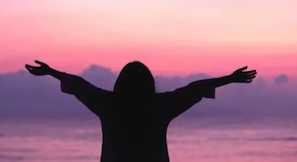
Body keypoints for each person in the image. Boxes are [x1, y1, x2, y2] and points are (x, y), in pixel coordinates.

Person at [25, 60, 257, 162]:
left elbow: (79, 85)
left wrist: (51, 71)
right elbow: (194, 89)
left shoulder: (107, 104)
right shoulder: (160, 106)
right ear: (149, 83)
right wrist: (230, 78)